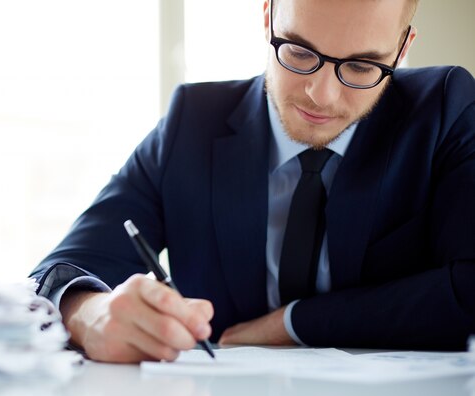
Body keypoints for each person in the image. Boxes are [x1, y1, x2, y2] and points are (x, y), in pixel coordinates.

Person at [30, 0, 475, 363]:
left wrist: (292, 324)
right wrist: (90, 315)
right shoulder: (192, 122)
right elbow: (56, 273)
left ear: (401, 49)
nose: (321, 95)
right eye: (300, 52)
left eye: (361, 67)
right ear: (267, 17)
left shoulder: (445, 110)